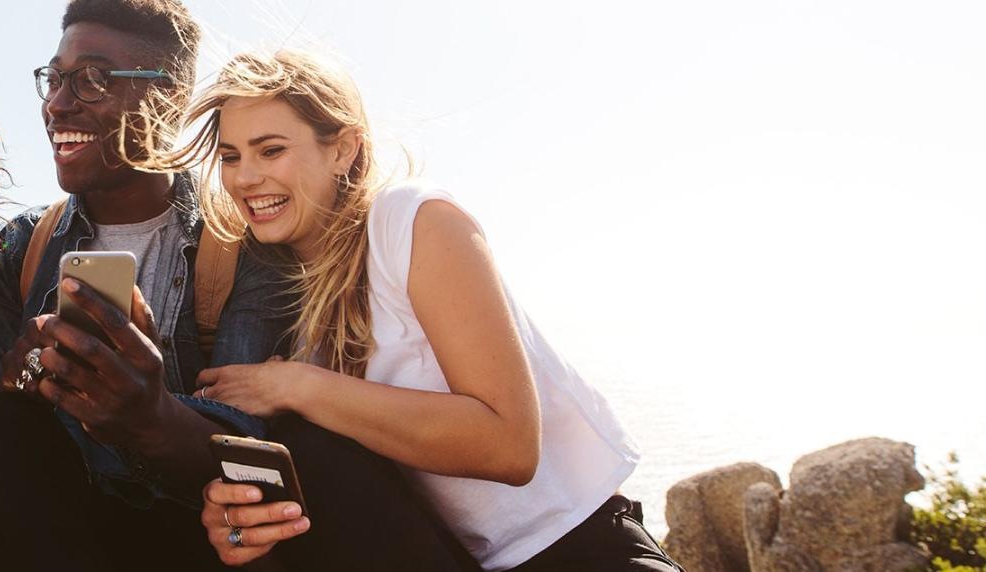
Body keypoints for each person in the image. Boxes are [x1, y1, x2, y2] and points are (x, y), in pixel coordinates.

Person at [0, 0, 458, 572]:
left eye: (94, 79)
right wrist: (26, 376)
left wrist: (149, 414)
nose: (58, 104)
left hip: (204, 529)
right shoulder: (21, 246)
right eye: (54, 79)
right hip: (68, 533)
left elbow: (250, 442)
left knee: (301, 459)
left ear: (172, 96)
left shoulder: (243, 240)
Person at [172, 50, 678, 570]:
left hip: (580, 549)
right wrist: (241, 526)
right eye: (230, 157)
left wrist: (298, 386)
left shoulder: (413, 221)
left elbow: (510, 446)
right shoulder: (280, 302)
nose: (244, 178)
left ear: (344, 149)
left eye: (270, 150)